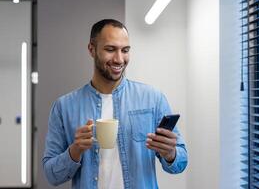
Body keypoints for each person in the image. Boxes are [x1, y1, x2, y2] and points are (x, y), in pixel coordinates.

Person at [42, 19, 188, 189]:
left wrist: (171, 153)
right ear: (91, 49)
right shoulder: (64, 107)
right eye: (110, 49)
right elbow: (51, 175)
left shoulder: (153, 99)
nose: (119, 59)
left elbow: (181, 162)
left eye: (125, 50)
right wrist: (74, 151)